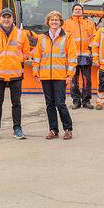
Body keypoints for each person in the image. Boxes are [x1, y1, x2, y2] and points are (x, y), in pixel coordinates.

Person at [34, 10, 78, 139]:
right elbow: (37, 57)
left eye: (56, 20)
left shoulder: (68, 37)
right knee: (49, 104)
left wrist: (70, 75)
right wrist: (36, 72)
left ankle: (68, 129)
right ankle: (53, 130)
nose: (54, 22)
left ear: (60, 22)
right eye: (51, 20)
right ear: (48, 22)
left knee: (60, 103)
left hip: (60, 76)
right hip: (46, 76)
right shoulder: (42, 38)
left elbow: (72, 58)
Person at [0, 8, 29, 140]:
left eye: (8, 17)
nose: (6, 19)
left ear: (13, 19)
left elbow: (26, 53)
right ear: (0, 19)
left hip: (15, 74)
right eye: (4, 17)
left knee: (16, 103)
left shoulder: (21, 35)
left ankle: (17, 129)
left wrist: (16, 60)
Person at [64, 3, 96, 109]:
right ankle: (76, 101)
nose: (77, 11)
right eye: (76, 9)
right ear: (73, 11)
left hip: (86, 56)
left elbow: (94, 38)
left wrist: (91, 48)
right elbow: (64, 39)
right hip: (72, 57)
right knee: (74, 81)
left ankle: (86, 101)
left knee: (87, 80)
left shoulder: (89, 23)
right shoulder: (66, 24)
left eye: (79, 9)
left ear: (82, 11)